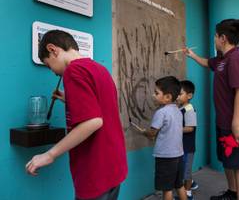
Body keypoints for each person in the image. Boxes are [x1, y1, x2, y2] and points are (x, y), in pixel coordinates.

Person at [25, 30, 128, 200]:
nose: (53, 72)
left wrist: (49, 155)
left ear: (53, 49)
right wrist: (70, 99)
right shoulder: (100, 69)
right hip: (114, 166)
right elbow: (101, 106)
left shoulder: (73, 71)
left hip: (95, 170)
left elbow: (93, 121)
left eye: (49, 64)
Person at [185, 19, 239, 200]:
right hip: (224, 121)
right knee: (228, 161)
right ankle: (232, 192)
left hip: (236, 124)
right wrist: (191, 55)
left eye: (215, 36)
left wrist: (236, 124)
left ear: (222, 38)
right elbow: (208, 63)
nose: (214, 39)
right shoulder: (222, 59)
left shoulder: (235, 59)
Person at [142, 76, 187, 200]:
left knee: (167, 190)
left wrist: (145, 133)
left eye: (156, 93)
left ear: (167, 97)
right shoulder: (177, 111)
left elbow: (152, 133)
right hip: (178, 155)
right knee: (179, 185)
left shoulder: (161, 113)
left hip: (166, 157)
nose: (153, 95)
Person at [177, 80, 197, 200]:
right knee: (184, 170)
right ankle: (191, 183)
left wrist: (175, 129)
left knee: (186, 172)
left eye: (180, 94)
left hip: (187, 148)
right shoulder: (180, 108)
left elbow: (190, 128)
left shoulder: (189, 109)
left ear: (189, 96)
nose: (177, 96)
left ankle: (188, 193)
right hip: (181, 147)